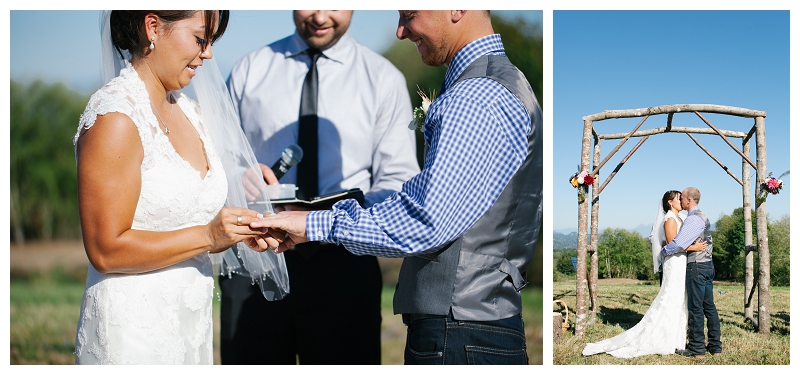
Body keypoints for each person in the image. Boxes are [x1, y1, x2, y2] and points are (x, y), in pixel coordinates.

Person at [252, 10, 542, 365]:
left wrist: (314, 223)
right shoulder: (495, 84)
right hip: (473, 325)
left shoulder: (477, 96)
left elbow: (426, 218)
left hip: (460, 331)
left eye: (409, 14)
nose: (401, 31)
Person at [72, 10, 280, 365]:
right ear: (153, 27)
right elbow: (105, 250)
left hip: (189, 324)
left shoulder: (192, 114)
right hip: (132, 331)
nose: (209, 54)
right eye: (201, 39)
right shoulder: (116, 118)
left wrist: (239, 230)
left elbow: (190, 218)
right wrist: (209, 236)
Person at [221, 10, 419, 364]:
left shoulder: (384, 79)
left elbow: (399, 181)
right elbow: (214, 156)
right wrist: (238, 177)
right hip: (256, 258)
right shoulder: (249, 69)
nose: (320, 14)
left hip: (344, 265)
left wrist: (335, 217)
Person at [582, 190, 705, 358]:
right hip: (674, 263)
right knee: (670, 298)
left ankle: (677, 339)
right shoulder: (669, 219)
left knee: (679, 299)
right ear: (670, 202)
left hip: (680, 263)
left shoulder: (678, 218)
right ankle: (665, 338)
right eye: (678, 198)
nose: (681, 201)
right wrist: (694, 248)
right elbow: (673, 244)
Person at [664, 187, 722, 358]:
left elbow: (678, 244)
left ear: (689, 201)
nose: (680, 201)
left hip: (697, 266)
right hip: (708, 265)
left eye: (682, 198)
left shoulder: (694, 220)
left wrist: (665, 250)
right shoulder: (701, 216)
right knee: (709, 306)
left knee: (696, 308)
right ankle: (715, 346)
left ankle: (697, 349)